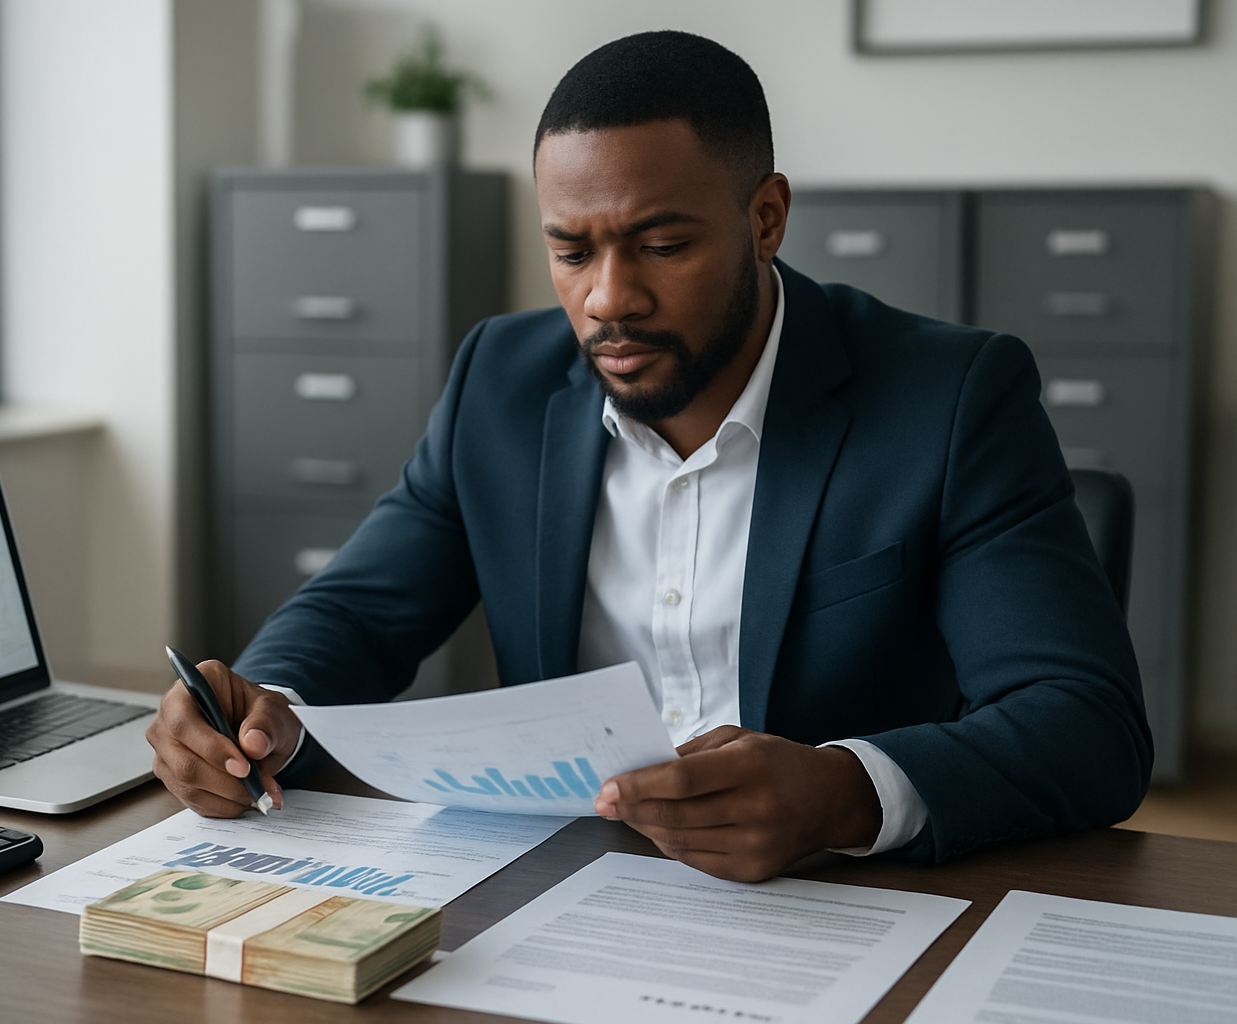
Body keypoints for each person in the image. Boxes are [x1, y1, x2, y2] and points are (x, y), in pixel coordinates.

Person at [147, 30, 1151, 882]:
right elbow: (358, 608)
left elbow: (1087, 726)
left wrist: (843, 791)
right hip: (560, 889)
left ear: (765, 218)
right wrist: (257, 708)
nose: (607, 299)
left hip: (834, 904)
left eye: (661, 245)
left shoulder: (949, 396)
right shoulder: (503, 379)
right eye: (573, 251)